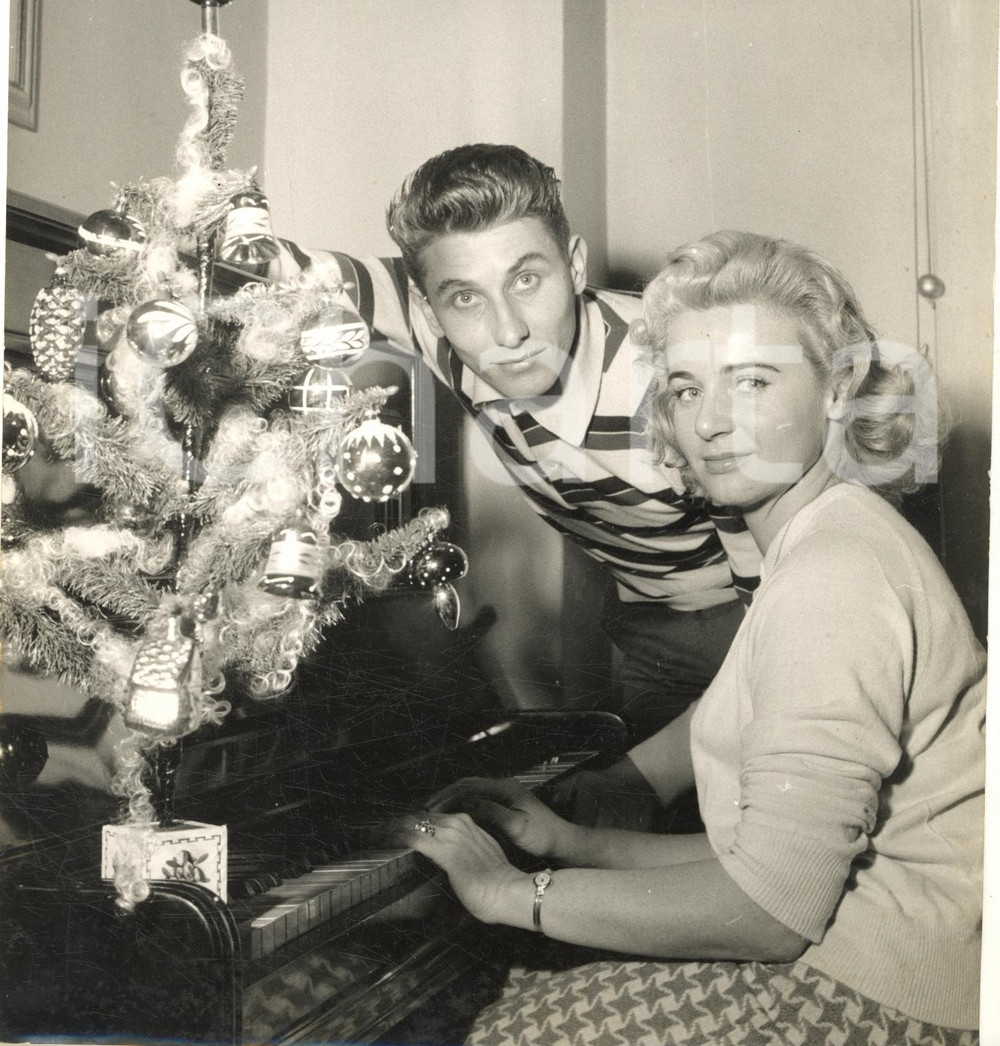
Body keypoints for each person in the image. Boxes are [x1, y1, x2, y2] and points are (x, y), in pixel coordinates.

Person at [401, 230, 985, 1045]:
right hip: (873, 962)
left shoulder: (835, 572)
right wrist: (572, 842)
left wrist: (509, 896)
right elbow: (763, 871)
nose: (709, 422)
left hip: (888, 1000)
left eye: (751, 380)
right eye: (683, 388)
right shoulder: (822, 538)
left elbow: (768, 915)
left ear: (836, 387)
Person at [271, 145, 759, 742]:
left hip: (752, 619)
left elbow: (782, 597)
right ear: (430, 308)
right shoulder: (444, 332)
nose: (508, 332)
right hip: (644, 628)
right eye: (466, 297)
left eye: (526, 279)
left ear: (576, 266)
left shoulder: (670, 384)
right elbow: (271, 264)